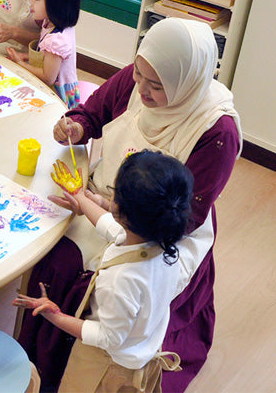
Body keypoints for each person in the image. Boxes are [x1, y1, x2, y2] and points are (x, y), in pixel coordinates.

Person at [18, 17, 242, 391]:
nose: (141, 88)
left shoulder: (218, 131)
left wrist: (108, 206)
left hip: (163, 226)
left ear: (187, 81)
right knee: (52, 255)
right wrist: (76, 126)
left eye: (156, 86)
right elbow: (94, 112)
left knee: (84, 281)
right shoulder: (140, 77)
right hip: (117, 205)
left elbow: (185, 218)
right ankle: (34, 356)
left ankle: (60, 370)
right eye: (138, 74)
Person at [15, 150, 191, 392]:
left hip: (110, 367)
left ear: (123, 211)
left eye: (114, 193)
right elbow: (110, 226)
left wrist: (54, 316)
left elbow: (109, 338)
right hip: (141, 346)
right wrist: (81, 197)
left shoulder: (121, 279)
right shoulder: (162, 244)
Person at [6, 0, 81, 108]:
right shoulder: (52, 23)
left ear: (55, 5)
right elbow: (46, 57)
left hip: (57, 97)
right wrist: (25, 56)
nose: (31, 3)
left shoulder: (56, 41)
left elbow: (48, 78)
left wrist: (20, 64)